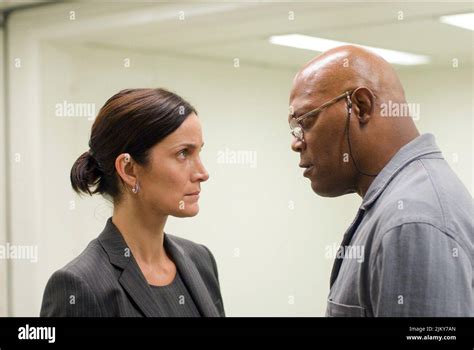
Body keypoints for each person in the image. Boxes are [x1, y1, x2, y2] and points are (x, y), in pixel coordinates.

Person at [288, 45, 473, 316]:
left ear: (361, 107)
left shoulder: (412, 221)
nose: (296, 142)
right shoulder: (400, 203)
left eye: (306, 120)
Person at [40, 88, 225, 317]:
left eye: (198, 152)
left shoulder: (200, 260)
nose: (202, 173)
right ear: (129, 169)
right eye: (183, 153)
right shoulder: (80, 285)